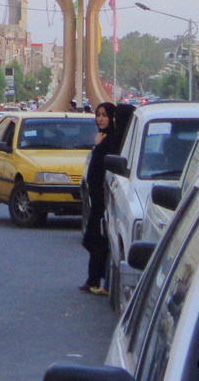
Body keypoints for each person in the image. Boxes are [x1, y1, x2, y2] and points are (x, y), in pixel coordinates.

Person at [80, 102, 117, 295]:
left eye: (105, 115)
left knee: (99, 239)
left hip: (105, 198)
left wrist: (98, 146)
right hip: (97, 197)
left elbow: (102, 166)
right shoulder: (104, 138)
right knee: (95, 239)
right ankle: (93, 279)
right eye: (98, 115)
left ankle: (99, 281)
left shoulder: (111, 140)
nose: (101, 119)